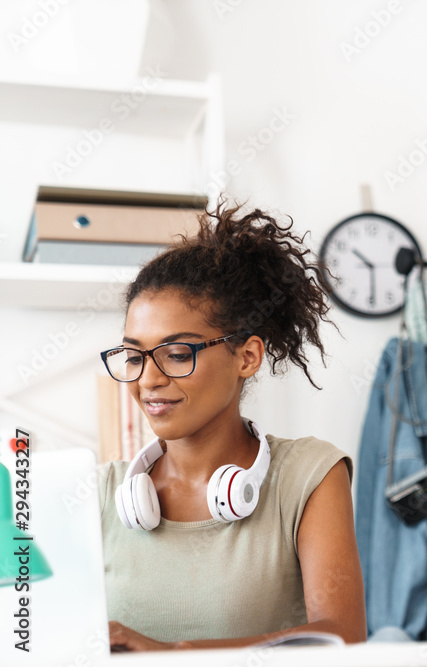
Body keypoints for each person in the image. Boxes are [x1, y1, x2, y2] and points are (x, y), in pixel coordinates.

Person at [95, 203, 366, 650]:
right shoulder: (100, 493)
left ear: (247, 356)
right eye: (134, 355)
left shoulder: (309, 476)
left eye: (177, 354)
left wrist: (174, 655)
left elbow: (341, 637)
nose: (148, 379)